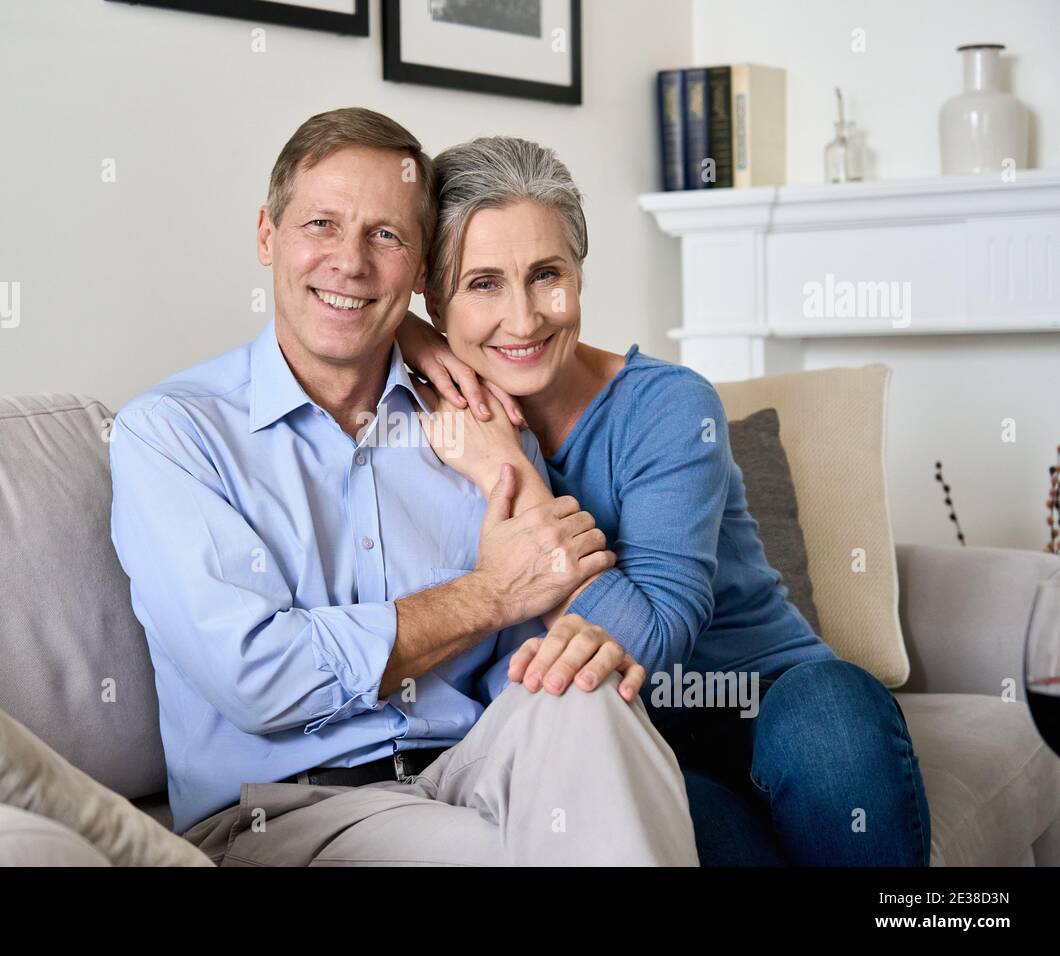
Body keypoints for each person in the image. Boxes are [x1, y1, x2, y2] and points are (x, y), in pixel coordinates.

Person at [108, 108, 699, 866]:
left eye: (385, 235)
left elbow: (538, 647)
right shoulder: (173, 434)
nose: (350, 262)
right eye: (320, 224)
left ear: (418, 273)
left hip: (465, 766)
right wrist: (487, 594)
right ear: (267, 236)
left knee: (586, 704)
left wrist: (511, 484)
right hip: (290, 809)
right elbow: (258, 676)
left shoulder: (475, 419)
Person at [398, 135, 932, 866]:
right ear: (435, 295)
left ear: (579, 276)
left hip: (762, 701)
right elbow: (329, 309)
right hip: (617, 739)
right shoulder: (416, 415)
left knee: (833, 715)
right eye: (483, 284)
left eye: (546, 275)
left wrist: (507, 475)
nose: (523, 320)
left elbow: (649, 638)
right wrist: (405, 331)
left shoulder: (670, 406)